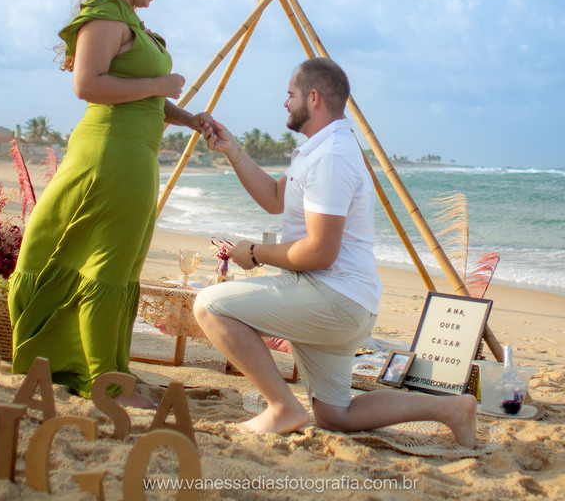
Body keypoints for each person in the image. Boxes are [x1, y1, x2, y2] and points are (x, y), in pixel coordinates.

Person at [194, 57, 477, 447]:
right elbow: (276, 199)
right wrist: (233, 150)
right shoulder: (321, 148)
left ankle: (281, 407)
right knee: (335, 415)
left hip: (333, 297)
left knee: (209, 305)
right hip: (337, 297)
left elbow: (320, 252)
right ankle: (451, 409)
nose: (284, 103)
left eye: (290, 94)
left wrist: (256, 253)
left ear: (313, 98)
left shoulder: (331, 157)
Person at [8, 0, 213, 408]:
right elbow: (88, 84)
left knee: (119, 264)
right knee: (107, 265)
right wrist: (161, 81)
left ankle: (109, 370)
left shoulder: (127, 19)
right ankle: (105, 382)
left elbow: (141, 95)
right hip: (109, 154)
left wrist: (188, 119)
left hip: (135, 154)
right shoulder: (104, 14)